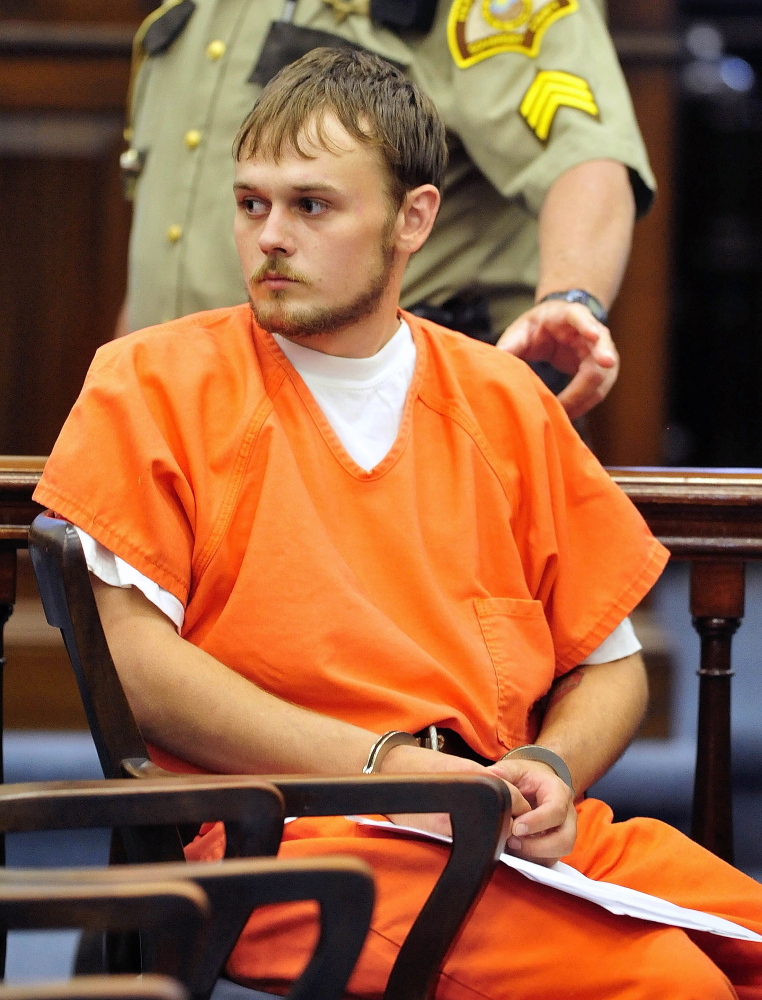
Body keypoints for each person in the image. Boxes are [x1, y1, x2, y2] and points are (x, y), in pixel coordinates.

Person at [37, 49, 762, 999]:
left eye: (313, 205)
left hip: (500, 826)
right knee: (670, 986)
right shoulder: (152, 381)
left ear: (413, 218)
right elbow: (135, 668)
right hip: (290, 841)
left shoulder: (503, 399)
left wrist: (553, 764)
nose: (271, 239)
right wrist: (391, 771)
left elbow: (611, 660)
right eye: (252, 204)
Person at [118, 0, 655, 419]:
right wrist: (125, 390)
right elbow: (166, 234)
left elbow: (584, 157)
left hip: (402, 421)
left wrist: (570, 296)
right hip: (189, 413)